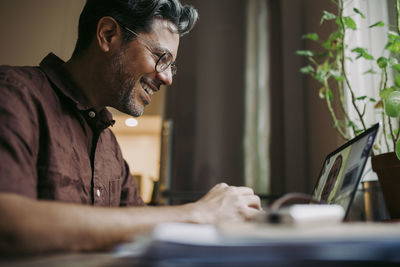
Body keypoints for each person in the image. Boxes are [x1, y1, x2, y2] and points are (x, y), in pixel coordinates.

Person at [0, 0, 261, 254]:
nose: (167, 78)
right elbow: (8, 224)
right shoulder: (14, 94)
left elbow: (144, 229)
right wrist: (197, 213)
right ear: (108, 34)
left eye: (172, 66)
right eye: (161, 57)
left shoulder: (109, 147)